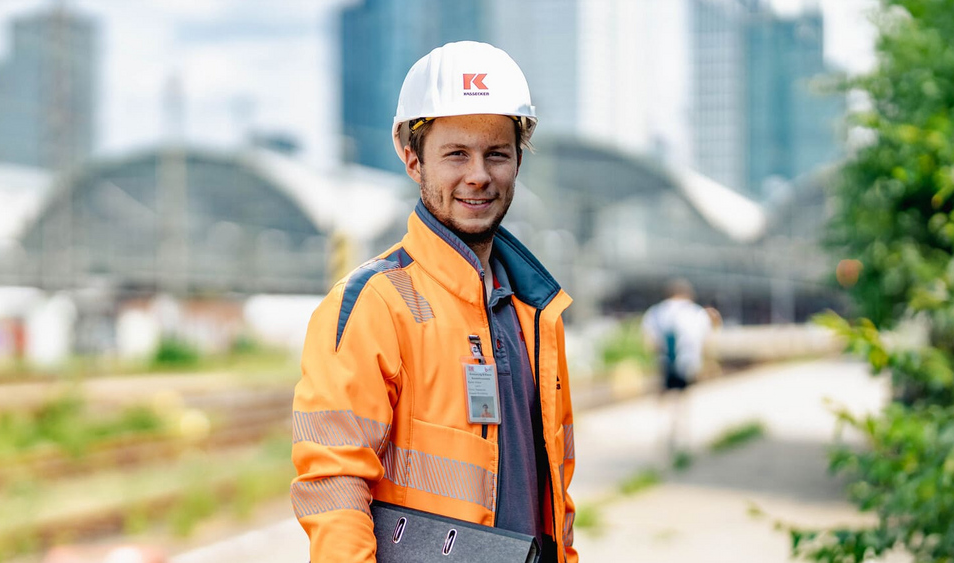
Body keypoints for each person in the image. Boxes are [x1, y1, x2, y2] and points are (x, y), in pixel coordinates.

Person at [290, 41, 578, 563]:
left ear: (518, 158)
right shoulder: (374, 305)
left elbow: (555, 497)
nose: (478, 176)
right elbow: (333, 486)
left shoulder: (536, 315)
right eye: (455, 154)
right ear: (412, 158)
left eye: (496, 153)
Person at [641, 278, 717, 455]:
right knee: (684, 398)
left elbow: (649, 340)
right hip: (688, 362)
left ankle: (664, 433)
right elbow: (706, 341)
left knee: (664, 397)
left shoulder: (655, 312)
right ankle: (682, 435)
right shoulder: (696, 312)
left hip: (664, 361)